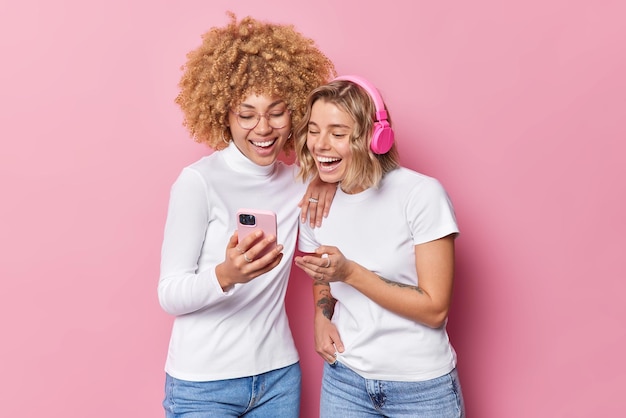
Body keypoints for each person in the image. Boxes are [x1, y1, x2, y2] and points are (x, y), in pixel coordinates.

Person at [157, 13, 336, 417]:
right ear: (224, 113)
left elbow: (319, 259)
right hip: (202, 384)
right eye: (247, 114)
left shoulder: (299, 183)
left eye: (277, 111)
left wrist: (327, 177)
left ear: (295, 112)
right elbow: (169, 293)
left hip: (278, 378)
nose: (264, 128)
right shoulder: (198, 182)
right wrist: (227, 275)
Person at [293, 75, 466, 417]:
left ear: (375, 137)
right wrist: (321, 314)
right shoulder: (316, 203)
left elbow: (434, 309)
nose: (321, 145)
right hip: (345, 381)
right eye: (314, 130)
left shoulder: (420, 195)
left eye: (338, 134)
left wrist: (352, 273)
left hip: (421, 389)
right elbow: (323, 274)